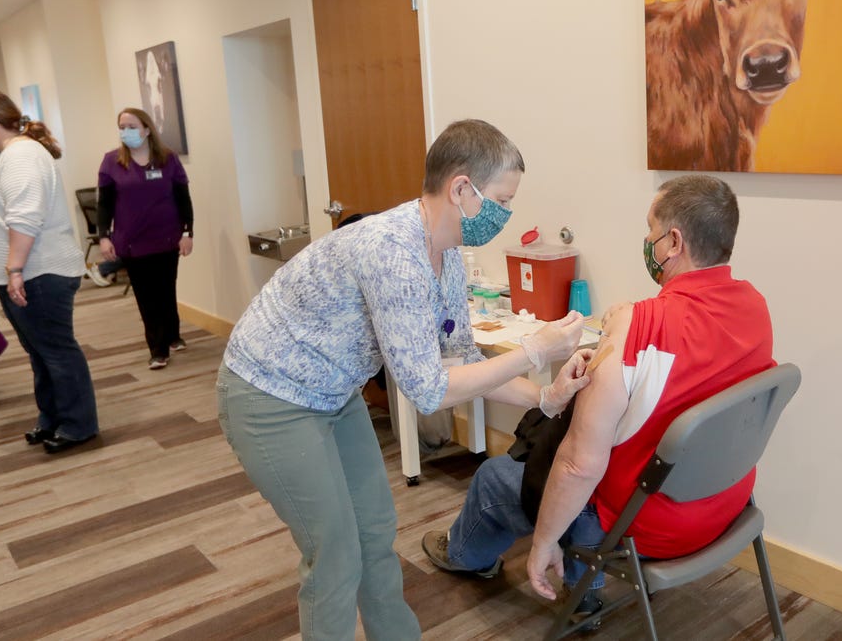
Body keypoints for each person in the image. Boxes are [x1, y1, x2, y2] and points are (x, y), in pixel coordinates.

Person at [218, 119, 593, 640]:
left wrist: (544, 398)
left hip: (333, 390)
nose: (506, 215)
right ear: (461, 188)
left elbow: (459, 361)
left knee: (374, 531)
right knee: (335, 554)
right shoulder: (393, 252)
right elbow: (429, 391)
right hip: (269, 392)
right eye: (502, 201)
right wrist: (534, 349)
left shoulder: (450, 256)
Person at [420, 175, 776, 619]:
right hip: (724, 506)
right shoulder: (754, 308)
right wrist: (627, 324)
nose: (647, 240)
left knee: (494, 479)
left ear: (674, 242)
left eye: (651, 230)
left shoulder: (642, 326)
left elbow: (578, 465)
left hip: (642, 526)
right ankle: (582, 586)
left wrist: (542, 544)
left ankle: (468, 556)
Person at [0, 88, 98, 454]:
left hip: (39, 272)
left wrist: (15, 269)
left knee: (56, 351)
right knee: (40, 351)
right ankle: (52, 417)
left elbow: (24, 217)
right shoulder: (14, 155)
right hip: (29, 271)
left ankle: (78, 425)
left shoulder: (22, 155)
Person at [95, 107, 192, 369]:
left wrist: (187, 232)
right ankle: (158, 349)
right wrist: (103, 237)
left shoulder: (167, 159)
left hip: (166, 238)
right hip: (132, 242)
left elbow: (183, 198)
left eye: (131, 126)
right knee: (146, 296)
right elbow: (104, 205)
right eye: (122, 127)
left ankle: (173, 335)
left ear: (147, 129)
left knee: (166, 289)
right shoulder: (111, 162)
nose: (126, 132)